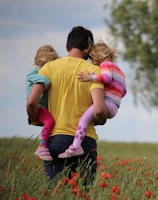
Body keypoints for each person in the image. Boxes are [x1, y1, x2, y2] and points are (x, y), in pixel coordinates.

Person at [26, 26, 108, 186]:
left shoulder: (48, 68)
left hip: (55, 140)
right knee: (83, 194)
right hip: (85, 142)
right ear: (89, 49)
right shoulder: (93, 71)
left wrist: (34, 117)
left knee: (57, 193)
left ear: (67, 47)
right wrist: (102, 119)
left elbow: (31, 102)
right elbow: (99, 110)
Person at [58, 42, 127, 158]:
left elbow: (106, 78)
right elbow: (124, 91)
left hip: (107, 103)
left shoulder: (106, 65)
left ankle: (75, 147)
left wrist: (89, 77)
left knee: (83, 120)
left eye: (92, 58)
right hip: (115, 106)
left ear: (97, 56)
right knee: (89, 119)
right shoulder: (120, 72)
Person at [26, 45, 59, 161]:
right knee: (50, 121)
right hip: (39, 106)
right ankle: (42, 146)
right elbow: (30, 77)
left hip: (44, 106)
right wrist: (46, 81)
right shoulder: (36, 72)